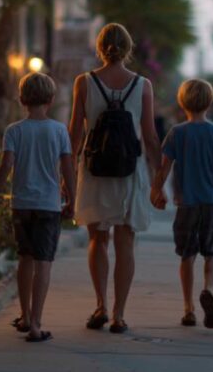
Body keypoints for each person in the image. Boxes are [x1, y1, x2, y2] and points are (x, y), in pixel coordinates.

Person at [69, 23, 160, 334]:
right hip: (129, 172)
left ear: (100, 47)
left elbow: (74, 136)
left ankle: (100, 306)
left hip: (94, 171)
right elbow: (149, 137)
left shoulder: (84, 82)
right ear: (129, 48)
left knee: (98, 239)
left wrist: (65, 177)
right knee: (126, 242)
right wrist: (160, 179)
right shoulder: (143, 85)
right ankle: (119, 315)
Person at [151, 79, 213, 329]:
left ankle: (188, 309)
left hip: (186, 204)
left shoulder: (177, 133)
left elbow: (164, 168)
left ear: (182, 102)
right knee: (211, 251)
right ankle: (209, 289)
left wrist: (157, 190)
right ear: (210, 102)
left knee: (187, 255)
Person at [0, 72, 75, 343]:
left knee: (24, 258)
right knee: (44, 263)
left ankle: (25, 315)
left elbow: (5, 165)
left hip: (22, 205)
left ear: (22, 99)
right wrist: (73, 199)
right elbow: (67, 168)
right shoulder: (59, 131)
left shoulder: (14, 130)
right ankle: (37, 325)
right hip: (48, 205)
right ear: (51, 100)